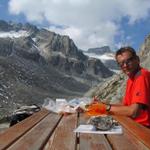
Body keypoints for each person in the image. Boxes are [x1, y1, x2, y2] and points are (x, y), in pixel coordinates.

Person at [88, 46, 150, 128]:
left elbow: (134, 112)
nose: (125, 65)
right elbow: (126, 106)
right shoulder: (131, 78)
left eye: (128, 61)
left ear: (137, 59)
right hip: (135, 125)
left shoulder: (141, 76)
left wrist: (105, 108)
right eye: (121, 64)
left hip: (143, 128)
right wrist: (104, 104)